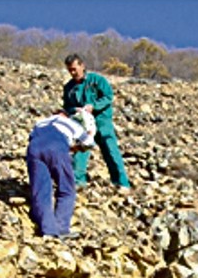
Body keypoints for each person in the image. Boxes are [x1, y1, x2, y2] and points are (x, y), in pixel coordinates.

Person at [62, 54, 130, 191]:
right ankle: (78, 182)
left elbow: (108, 97)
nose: (72, 73)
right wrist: (74, 110)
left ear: (82, 66)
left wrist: (93, 106)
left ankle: (121, 182)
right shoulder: (69, 88)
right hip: (83, 124)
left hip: (102, 121)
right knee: (81, 150)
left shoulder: (97, 80)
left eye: (75, 69)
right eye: (70, 70)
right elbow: (67, 106)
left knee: (110, 150)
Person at [26, 110, 96, 238]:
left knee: (41, 191)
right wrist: (88, 136)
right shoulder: (71, 123)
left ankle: (48, 231)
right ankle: (61, 228)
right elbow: (88, 143)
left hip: (34, 148)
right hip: (57, 146)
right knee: (67, 189)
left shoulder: (40, 122)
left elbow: (34, 139)